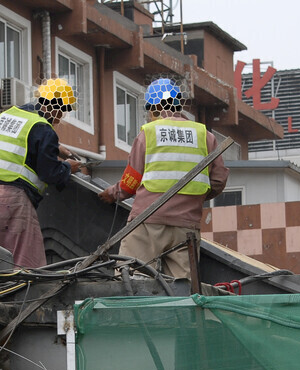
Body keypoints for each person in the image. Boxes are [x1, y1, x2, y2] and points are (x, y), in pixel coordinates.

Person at [98, 77, 229, 280]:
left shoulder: (149, 133)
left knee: (131, 281)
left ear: (156, 105)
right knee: (183, 289)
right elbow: (219, 180)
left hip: (148, 222)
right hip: (186, 226)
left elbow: (131, 180)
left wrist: (112, 194)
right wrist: (194, 196)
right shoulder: (205, 136)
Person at [0, 78, 83, 268]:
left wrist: (55, 147)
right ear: (56, 108)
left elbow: (20, 145)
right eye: (62, 112)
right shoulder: (44, 128)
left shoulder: (7, 116)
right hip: (11, 200)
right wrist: (68, 167)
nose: (59, 118)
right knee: (24, 265)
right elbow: (50, 174)